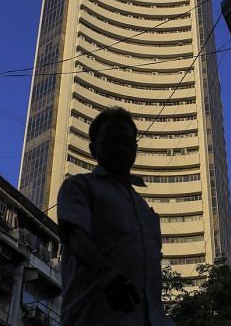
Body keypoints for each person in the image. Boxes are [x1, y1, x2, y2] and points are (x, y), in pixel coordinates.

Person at [57, 106, 174, 326]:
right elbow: (72, 232)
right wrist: (106, 272)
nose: (120, 147)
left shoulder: (142, 206)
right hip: (94, 317)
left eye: (126, 140)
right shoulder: (80, 186)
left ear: (135, 147)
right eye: (110, 141)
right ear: (93, 149)